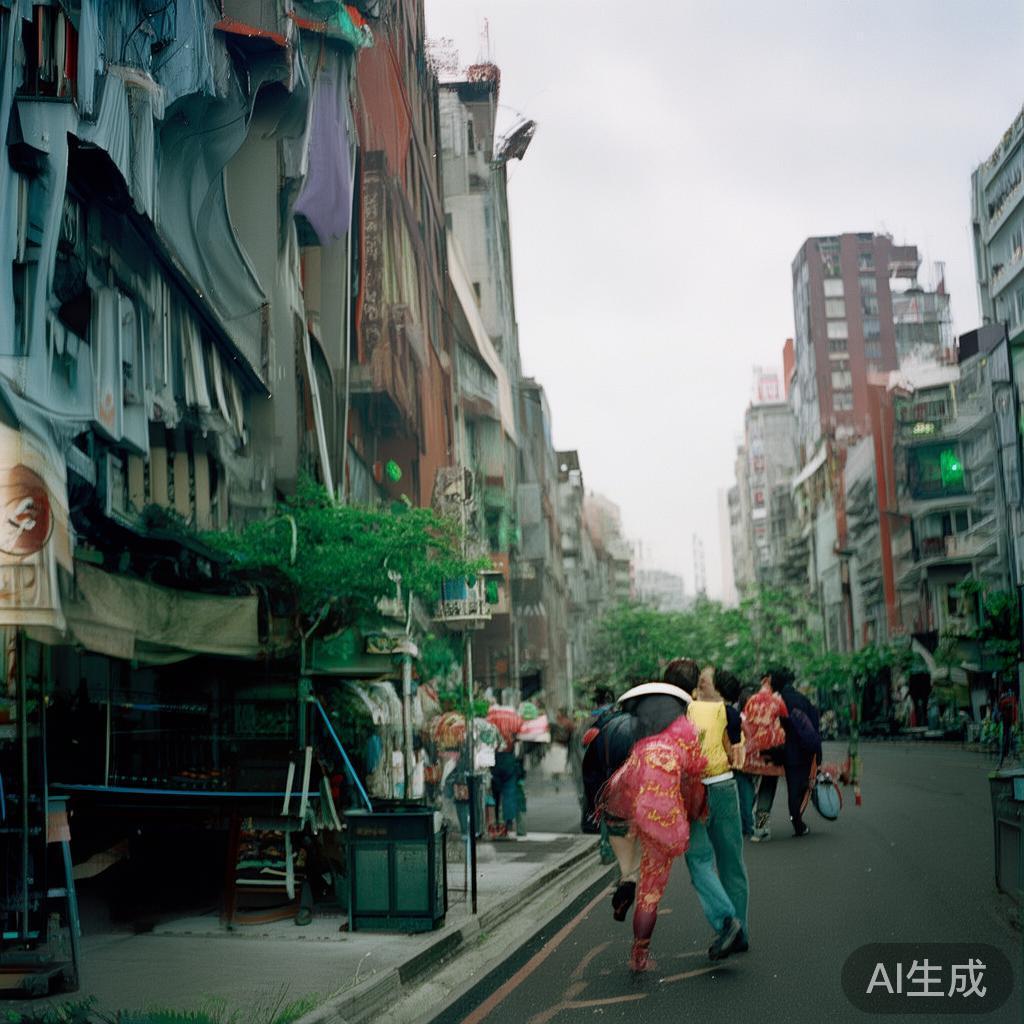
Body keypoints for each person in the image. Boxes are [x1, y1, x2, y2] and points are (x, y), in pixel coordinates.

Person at [599, 705, 706, 973]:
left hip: (642, 819)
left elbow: (619, 786)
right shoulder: (682, 745)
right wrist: (694, 814)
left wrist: (631, 818)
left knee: (633, 868)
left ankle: (627, 878)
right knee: (651, 892)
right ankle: (640, 952)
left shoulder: (641, 750)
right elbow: (693, 786)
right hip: (668, 827)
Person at [670, 661, 750, 960]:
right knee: (732, 863)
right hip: (724, 788)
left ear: (718, 689)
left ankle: (727, 921)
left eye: (704, 683)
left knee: (699, 860)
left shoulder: (682, 713)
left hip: (695, 793)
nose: (700, 686)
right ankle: (739, 932)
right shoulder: (730, 715)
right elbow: (736, 757)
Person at [768, 666, 823, 837]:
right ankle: (797, 823)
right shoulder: (803, 700)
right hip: (803, 751)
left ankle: (757, 826)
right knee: (797, 789)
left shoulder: (772, 702)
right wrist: (817, 753)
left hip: (775, 755)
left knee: (765, 794)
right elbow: (813, 728)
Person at [486, 703, 525, 839]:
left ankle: (495, 821)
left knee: (495, 792)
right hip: (509, 758)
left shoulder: (491, 720)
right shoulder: (513, 720)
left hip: (494, 759)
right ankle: (508, 823)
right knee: (509, 791)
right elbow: (519, 738)